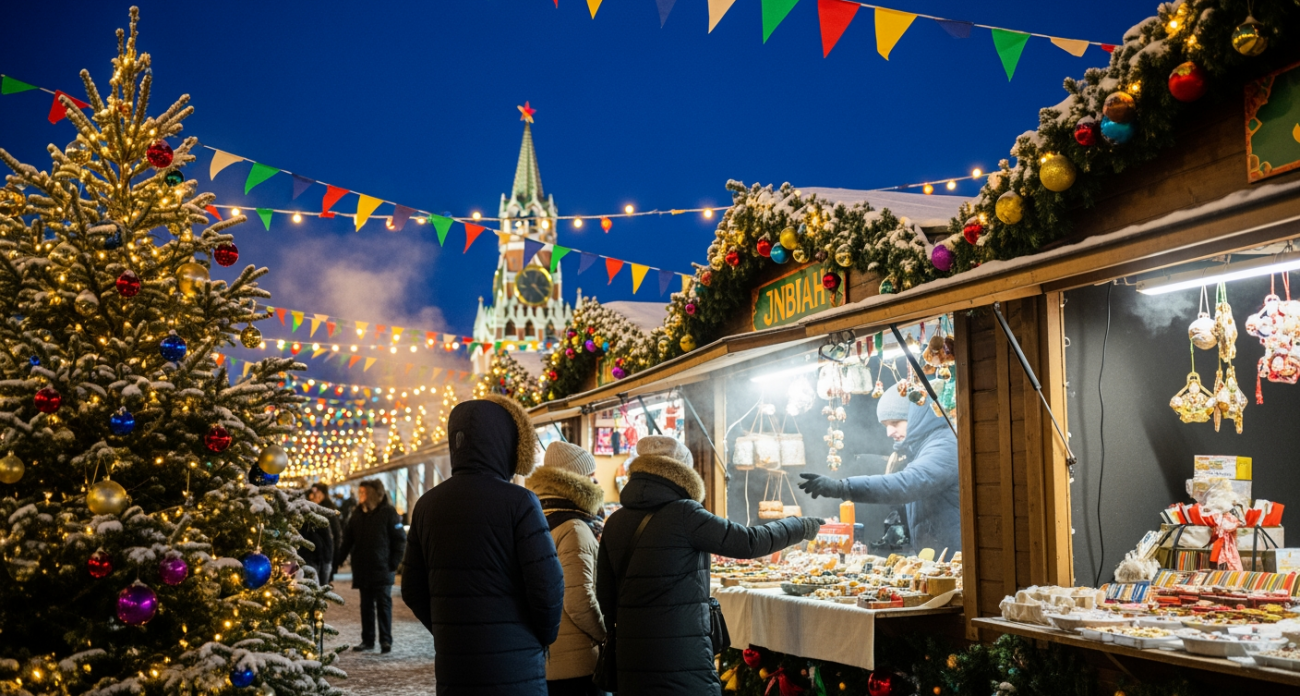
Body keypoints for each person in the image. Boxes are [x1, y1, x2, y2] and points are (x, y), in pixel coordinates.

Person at [598, 435, 823, 696]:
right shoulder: (685, 513)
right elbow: (747, 542)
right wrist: (797, 525)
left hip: (631, 658)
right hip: (681, 658)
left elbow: (604, 595)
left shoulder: (615, 521)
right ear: (681, 472)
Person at [401, 395, 564, 696]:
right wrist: (540, 637)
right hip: (515, 666)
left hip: (455, 668)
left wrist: (449, 631)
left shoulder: (426, 506)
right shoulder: (520, 502)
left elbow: (411, 588)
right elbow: (547, 585)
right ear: (505, 443)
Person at [798, 385, 961, 554]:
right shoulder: (919, 449)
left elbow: (908, 484)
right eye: (885, 425)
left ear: (917, 416)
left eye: (895, 423)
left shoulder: (946, 445)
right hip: (938, 556)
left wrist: (842, 487)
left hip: (957, 558)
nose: (889, 432)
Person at [526, 442, 606, 696]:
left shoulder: (535, 518)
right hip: (576, 664)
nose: (596, 481)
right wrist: (605, 634)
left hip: (544, 657)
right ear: (576, 479)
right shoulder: (573, 527)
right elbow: (578, 600)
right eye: (591, 475)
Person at [338, 478, 407, 653]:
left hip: (383, 568)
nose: (360, 495)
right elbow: (347, 541)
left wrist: (392, 563)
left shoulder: (388, 513)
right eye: (360, 492)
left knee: (383, 604)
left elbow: (400, 541)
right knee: (366, 606)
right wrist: (336, 561)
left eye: (364, 492)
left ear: (375, 494)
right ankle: (367, 640)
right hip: (363, 568)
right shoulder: (357, 514)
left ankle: (385, 640)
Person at [298, 486, 335, 586]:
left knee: (320, 586)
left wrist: (328, 557)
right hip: (310, 557)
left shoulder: (321, 514)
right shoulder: (301, 517)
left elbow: (328, 537)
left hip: (321, 557)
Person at [307, 483, 343, 583]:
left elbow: (336, 534)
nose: (315, 496)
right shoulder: (309, 509)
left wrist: (334, 558)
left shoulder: (328, 510)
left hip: (325, 556)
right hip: (314, 556)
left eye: (318, 493)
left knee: (322, 586)